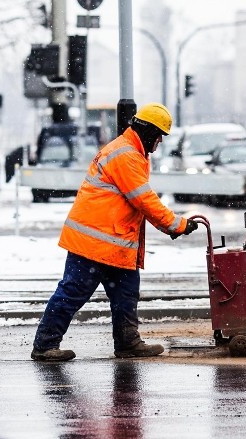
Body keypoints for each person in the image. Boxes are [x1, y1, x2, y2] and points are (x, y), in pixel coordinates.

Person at [31, 103, 198, 362]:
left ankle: (128, 343)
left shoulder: (131, 151)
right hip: (94, 241)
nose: (159, 143)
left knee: (126, 293)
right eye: (159, 137)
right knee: (72, 292)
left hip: (115, 241)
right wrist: (175, 224)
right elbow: (143, 199)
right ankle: (44, 346)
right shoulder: (126, 155)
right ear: (149, 132)